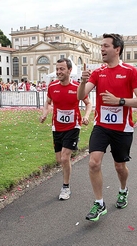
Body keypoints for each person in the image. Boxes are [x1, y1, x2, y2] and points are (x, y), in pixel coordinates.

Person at [78, 33, 137, 221]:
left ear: (117, 49)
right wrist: (82, 80)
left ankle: (123, 190)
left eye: (106, 46)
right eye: (101, 46)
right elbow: (80, 96)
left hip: (122, 129)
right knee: (93, 162)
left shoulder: (130, 71)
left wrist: (120, 101)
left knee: (119, 166)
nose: (101, 49)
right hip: (101, 125)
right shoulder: (98, 72)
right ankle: (99, 204)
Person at [39, 58, 92, 200]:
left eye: (61, 69)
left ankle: (66, 187)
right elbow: (48, 102)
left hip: (73, 126)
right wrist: (45, 112)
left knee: (64, 157)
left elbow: (88, 104)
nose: (58, 72)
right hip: (57, 126)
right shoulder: (52, 86)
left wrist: (86, 116)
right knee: (59, 159)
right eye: (57, 69)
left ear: (69, 70)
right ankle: (67, 156)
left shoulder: (77, 87)